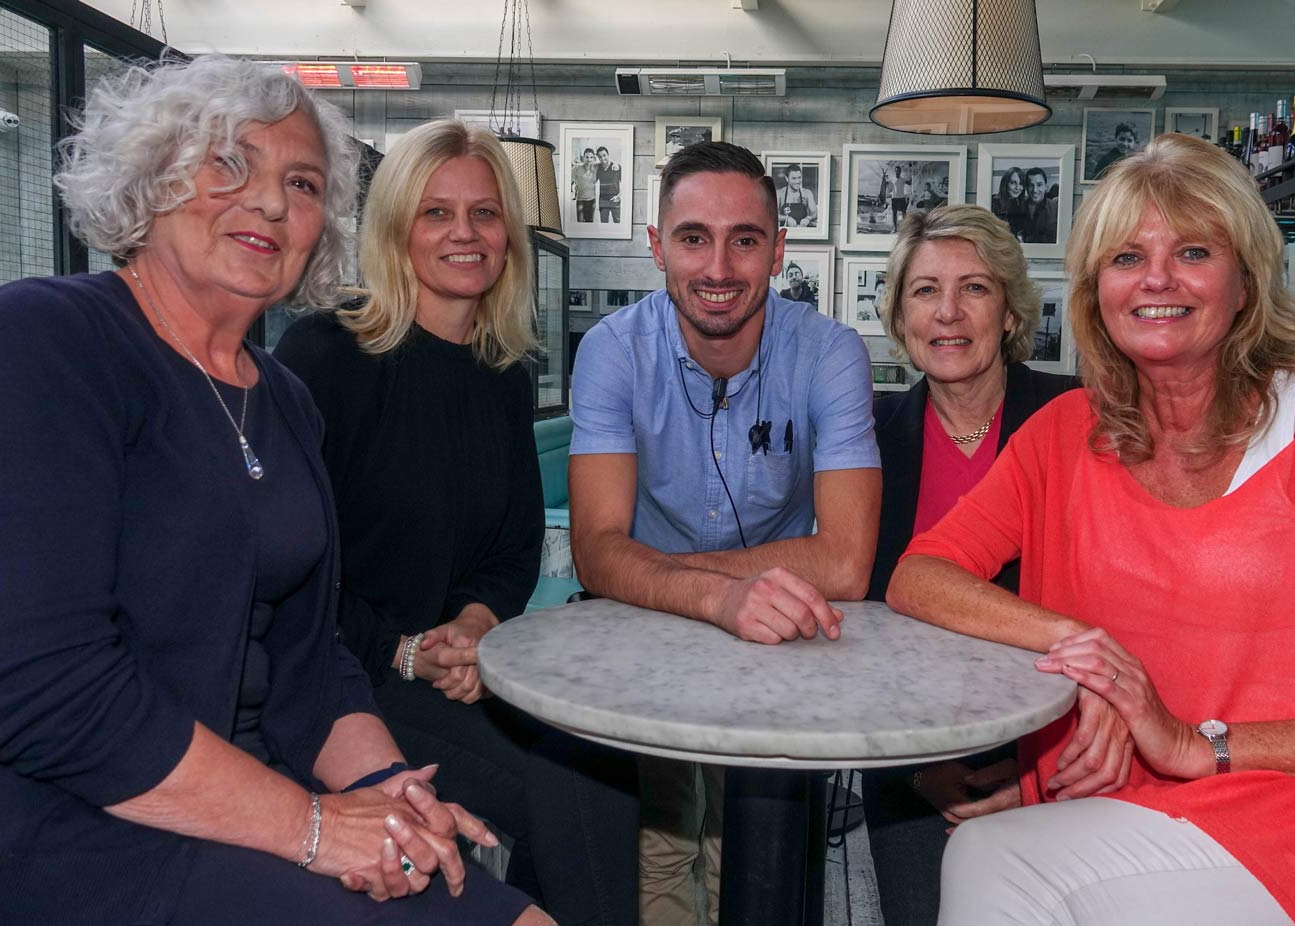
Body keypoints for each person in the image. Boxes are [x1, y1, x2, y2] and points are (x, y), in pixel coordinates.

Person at [0, 56, 550, 925]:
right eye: (229, 164)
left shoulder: (283, 400)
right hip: (62, 825)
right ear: (150, 177)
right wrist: (318, 829)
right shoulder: (40, 342)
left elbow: (312, 658)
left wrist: (389, 792)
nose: (269, 202)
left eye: (300, 183)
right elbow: (37, 690)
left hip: (253, 795)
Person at [888, 133, 1295, 925]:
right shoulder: (1064, 432)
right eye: (1126, 258)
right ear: (1095, 290)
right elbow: (920, 575)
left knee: (992, 860)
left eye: (1195, 251)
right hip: (1113, 818)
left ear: (1246, 282)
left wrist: (1200, 745)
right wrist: (1090, 652)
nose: (1158, 280)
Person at [275, 118, 639, 926]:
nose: (464, 234)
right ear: (396, 225)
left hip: (453, 669)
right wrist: (404, 653)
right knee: (571, 789)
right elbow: (291, 571)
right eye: (436, 212)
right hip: (339, 678)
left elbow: (512, 549)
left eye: (484, 213)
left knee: (598, 769)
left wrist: (474, 628)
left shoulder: (504, 371)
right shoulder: (323, 356)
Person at [568, 140, 880, 926]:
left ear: (778, 250)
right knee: (662, 830)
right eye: (693, 237)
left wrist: (674, 577)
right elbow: (594, 549)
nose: (718, 267)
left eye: (745, 239)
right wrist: (705, 594)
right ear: (656, 247)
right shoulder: (610, 351)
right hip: (650, 629)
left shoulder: (831, 352)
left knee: (756, 839)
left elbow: (845, 561)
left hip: (769, 627)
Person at [861, 204, 1077, 924]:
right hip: (906, 750)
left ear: (1012, 313)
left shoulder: (1075, 416)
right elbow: (861, 614)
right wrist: (923, 767)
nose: (948, 313)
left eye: (975, 289)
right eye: (924, 291)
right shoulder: (870, 434)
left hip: (1054, 745)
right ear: (900, 316)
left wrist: (1040, 770)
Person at [1021, 167, 1057, 244]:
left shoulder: (1056, 208)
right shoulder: (1018, 207)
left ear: (1046, 187)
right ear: (1026, 188)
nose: (1035, 190)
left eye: (1039, 185)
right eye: (1031, 185)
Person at [777, 163, 818, 228]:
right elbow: (772, 215)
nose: (797, 181)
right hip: (785, 233)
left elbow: (814, 213)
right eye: (794, 178)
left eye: (799, 178)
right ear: (787, 178)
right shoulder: (779, 194)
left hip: (802, 232)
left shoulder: (807, 193)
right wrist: (786, 218)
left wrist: (808, 218)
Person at [991, 168, 1028, 239]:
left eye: (1021, 184)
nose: (1017, 187)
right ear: (1005, 183)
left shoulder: (1021, 204)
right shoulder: (993, 202)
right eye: (1013, 183)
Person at [572, 147, 599, 223]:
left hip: (592, 201)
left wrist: (615, 163)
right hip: (581, 200)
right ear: (583, 157)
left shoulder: (596, 167)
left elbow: (606, 161)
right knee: (580, 223)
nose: (589, 159)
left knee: (589, 222)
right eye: (587, 157)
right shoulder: (577, 168)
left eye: (591, 157)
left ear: (594, 158)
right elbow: (567, 177)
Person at [596, 146, 622, 223]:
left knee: (618, 223)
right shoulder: (598, 168)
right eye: (600, 157)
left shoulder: (617, 167)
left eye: (604, 155)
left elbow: (626, 183)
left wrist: (619, 196)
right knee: (604, 223)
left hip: (615, 200)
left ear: (608, 155)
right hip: (603, 201)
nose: (603, 158)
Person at [888, 164, 911, 230]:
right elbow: (889, 189)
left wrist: (911, 178)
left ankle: (905, 227)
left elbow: (909, 183)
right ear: (895, 171)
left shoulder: (903, 179)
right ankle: (895, 228)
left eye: (899, 171)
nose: (897, 172)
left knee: (904, 212)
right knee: (894, 213)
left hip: (901, 198)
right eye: (896, 171)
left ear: (900, 172)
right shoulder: (891, 180)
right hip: (894, 198)